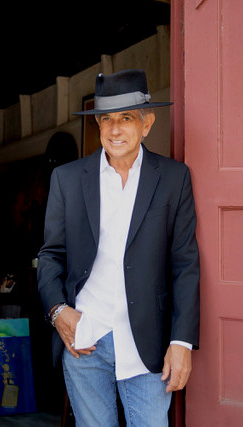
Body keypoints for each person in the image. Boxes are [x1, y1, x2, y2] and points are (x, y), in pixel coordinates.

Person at [37, 69, 200, 426]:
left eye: (126, 118)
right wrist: (57, 310)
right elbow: (51, 255)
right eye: (106, 119)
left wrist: (182, 342)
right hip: (85, 340)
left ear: (147, 124)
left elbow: (185, 264)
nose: (114, 129)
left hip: (148, 344)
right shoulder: (67, 179)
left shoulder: (173, 179)